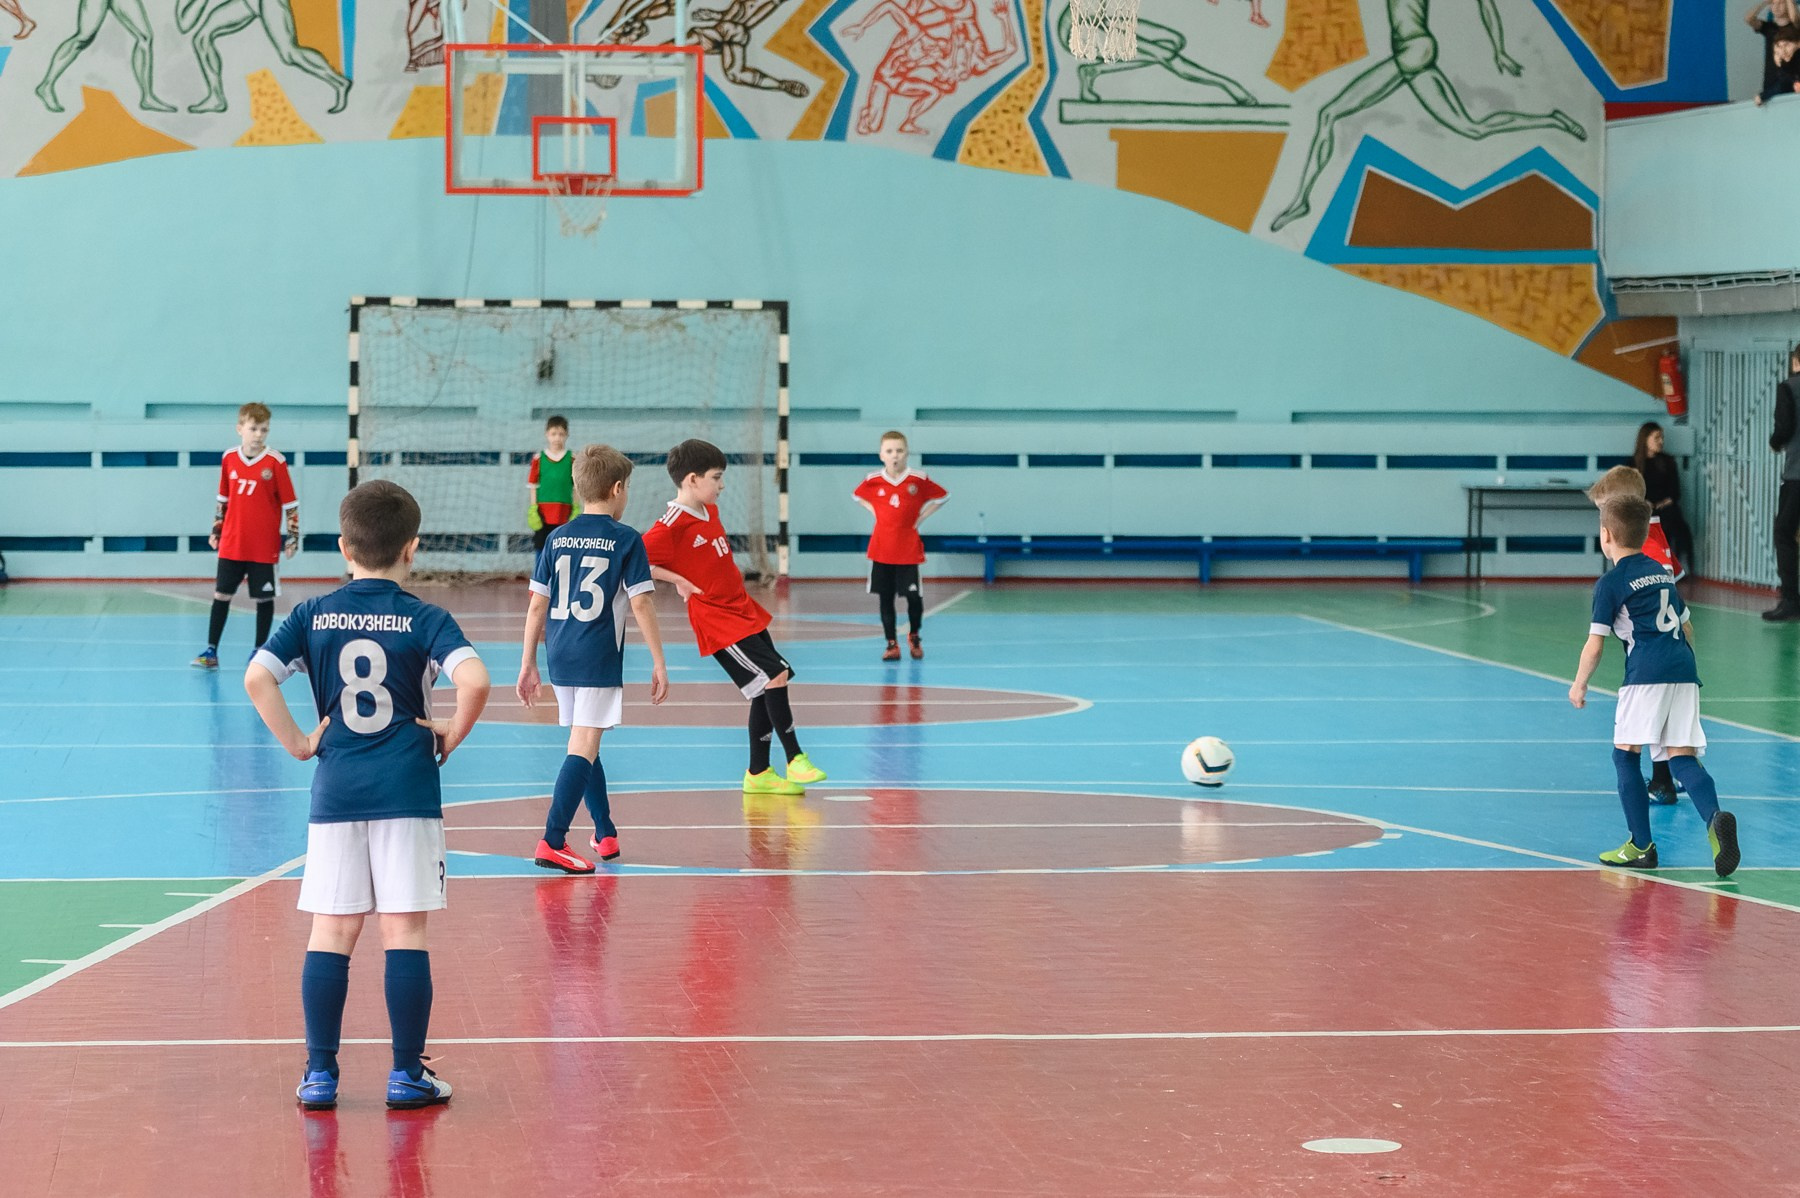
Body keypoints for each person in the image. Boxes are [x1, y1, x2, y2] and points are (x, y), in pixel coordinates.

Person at [244, 480, 491, 1111]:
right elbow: (475, 680)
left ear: (344, 547)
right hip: (408, 790)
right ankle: (406, 1075)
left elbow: (256, 677)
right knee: (404, 928)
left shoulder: (311, 615)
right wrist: (451, 732)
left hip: (337, 792)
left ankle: (320, 1075)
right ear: (412, 548)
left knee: (331, 931)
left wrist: (300, 743)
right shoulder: (426, 618)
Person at [642, 439, 828, 795]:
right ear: (692, 479)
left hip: (742, 609)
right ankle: (795, 759)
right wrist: (678, 579)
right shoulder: (671, 524)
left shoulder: (709, 510)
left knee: (763, 687)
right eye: (717, 477)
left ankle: (758, 773)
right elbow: (635, 561)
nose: (723, 485)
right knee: (775, 673)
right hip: (717, 619)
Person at [517, 445, 670, 874]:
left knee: (585, 738)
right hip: (596, 653)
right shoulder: (626, 539)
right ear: (618, 488)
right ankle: (552, 840)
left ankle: (605, 832)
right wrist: (659, 661)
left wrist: (528, 662)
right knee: (584, 743)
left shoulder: (556, 537)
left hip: (560, 652)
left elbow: (536, 605)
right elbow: (641, 603)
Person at [1569, 494, 1739, 879]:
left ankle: (1641, 847)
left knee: (1626, 756)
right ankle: (1714, 820)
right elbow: (1687, 627)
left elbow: (1595, 644)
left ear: (1606, 535)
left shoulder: (1611, 583)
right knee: (1681, 757)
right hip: (1684, 668)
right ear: (1645, 532)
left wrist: (1579, 684)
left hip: (1646, 673)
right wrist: (1681, 669)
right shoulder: (1662, 573)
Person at [1586, 465, 1681, 804]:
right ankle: (1673, 773)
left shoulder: (1644, 550)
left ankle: (1664, 779)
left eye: (1604, 511)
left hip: (1651, 645)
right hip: (1665, 640)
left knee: (1647, 721)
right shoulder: (1655, 536)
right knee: (1663, 717)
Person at [193, 402, 298, 669]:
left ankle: (259, 652)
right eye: (253, 428)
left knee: (264, 598)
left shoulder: (275, 462)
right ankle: (211, 651)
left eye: (264, 429)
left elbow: (290, 504)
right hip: (232, 543)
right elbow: (223, 499)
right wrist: (216, 530)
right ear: (240, 428)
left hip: (263, 546)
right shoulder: (229, 458)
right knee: (221, 595)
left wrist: (293, 536)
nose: (259, 434)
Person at [853, 431, 949, 660]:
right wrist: (874, 511)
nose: (894, 455)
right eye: (889, 451)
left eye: (899, 450)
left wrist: (921, 517)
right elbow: (857, 496)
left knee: (914, 598)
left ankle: (914, 635)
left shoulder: (917, 479)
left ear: (906, 453)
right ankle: (891, 644)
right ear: (881, 455)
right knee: (885, 598)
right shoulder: (873, 480)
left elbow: (943, 496)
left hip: (908, 550)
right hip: (882, 549)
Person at [1633, 422, 1694, 578]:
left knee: (1675, 524)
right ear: (1645, 439)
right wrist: (1644, 502)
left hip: (1665, 507)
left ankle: (1675, 567)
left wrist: (1665, 502)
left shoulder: (1667, 461)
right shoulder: (1633, 463)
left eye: (1662, 438)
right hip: (1643, 509)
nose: (1661, 441)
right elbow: (1631, 491)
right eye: (1656, 438)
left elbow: (1675, 492)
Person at [1768, 343, 1800, 621]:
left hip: (1796, 475)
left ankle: (1790, 600)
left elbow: (1785, 427)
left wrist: (1775, 442)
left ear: (1796, 362)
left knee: (1784, 533)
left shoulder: (1789, 387)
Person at [527, 415, 575, 555]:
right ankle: (540, 570)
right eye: (553, 434)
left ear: (567, 435)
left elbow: (576, 487)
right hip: (543, 511)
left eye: (561, 434)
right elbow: (533, 485)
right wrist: (533, 508)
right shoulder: (539, 459)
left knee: (562, 549)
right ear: (547, 434)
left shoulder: (572, 459)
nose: (557, 438)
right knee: (541, 548)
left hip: (565, 511)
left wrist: (576, 508)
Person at [1748, 0, 1800, 103]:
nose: (1776, 6)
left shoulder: (1795, 27)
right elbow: (1749, 19)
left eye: (1780, 3)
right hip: (1771, 83)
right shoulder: (1769, 28)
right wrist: (1764, 3)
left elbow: (1795, 18)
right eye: (1773, 3)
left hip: (1791, 84)